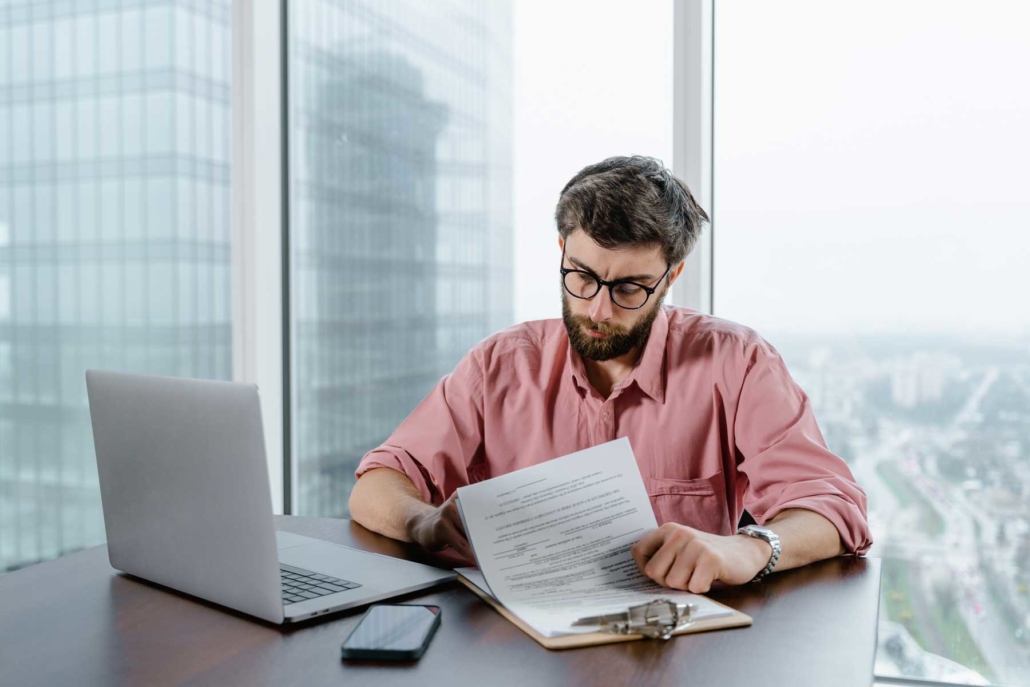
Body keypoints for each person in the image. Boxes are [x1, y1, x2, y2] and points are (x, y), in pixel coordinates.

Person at [349, 156, 871, 593]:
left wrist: (749, 547)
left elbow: (833, 506)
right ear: (562, 252)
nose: (598, 311)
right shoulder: (499, 365)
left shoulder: (738, 363)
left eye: (629, 288)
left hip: (670, 646)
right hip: (510, 646)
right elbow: (378, 483)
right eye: (582, 277)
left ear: (672, 277)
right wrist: (421, 522)